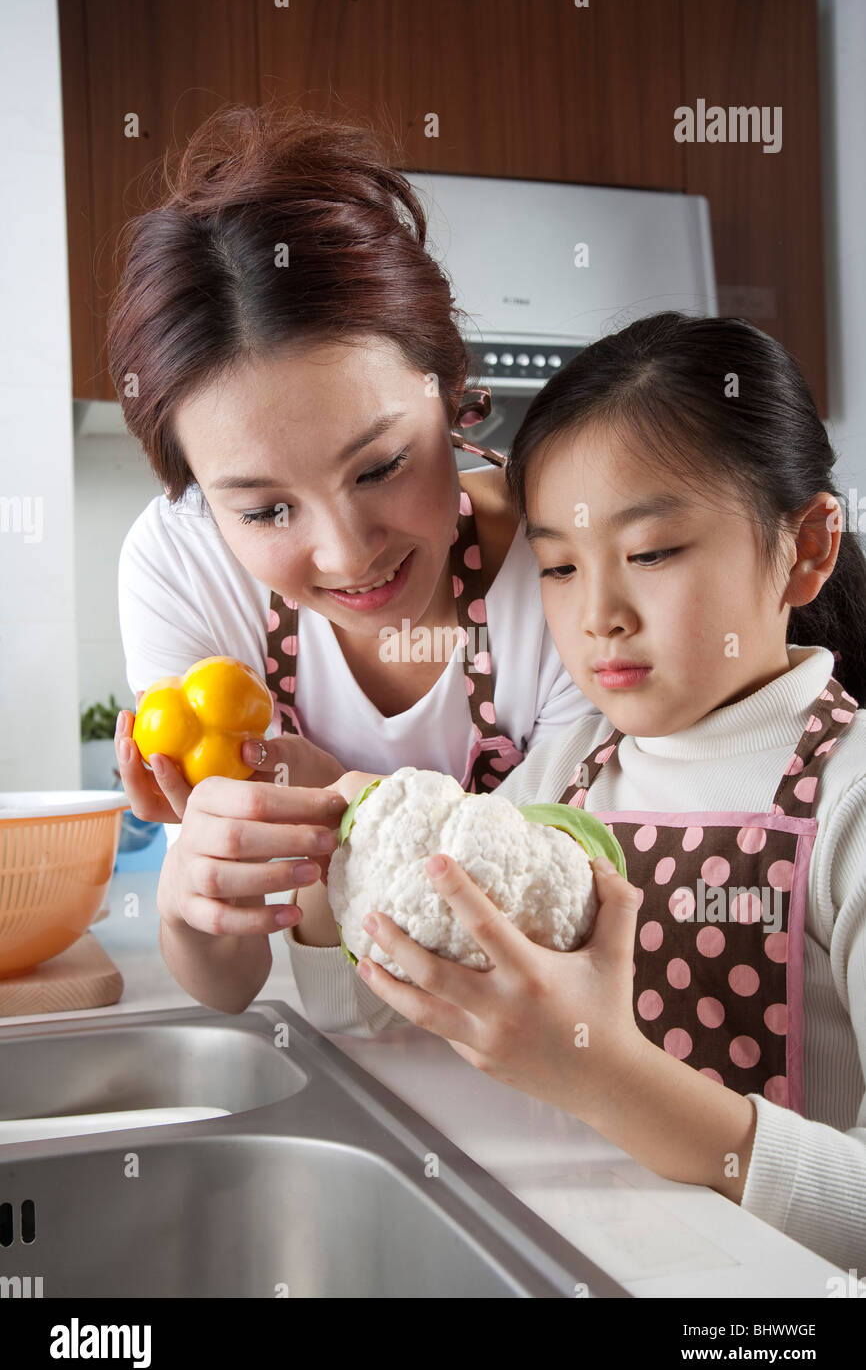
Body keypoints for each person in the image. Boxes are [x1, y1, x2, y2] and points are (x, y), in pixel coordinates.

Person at [334, 312, 866, 1271]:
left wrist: (606, 1076)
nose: (600, 616)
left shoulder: (848, 798)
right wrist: (318, 891)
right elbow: (413, 1008)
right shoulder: (570, 770)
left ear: (809, 546)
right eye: (561, 568)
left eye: (654, 553)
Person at [108, 103, 595, 1022]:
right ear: (200, 499)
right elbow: (229, 980)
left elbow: (568, 923)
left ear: (452, 393)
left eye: (381, 466)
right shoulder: (181, 564)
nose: (346, 551)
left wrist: (338, 794)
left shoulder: (569, 564)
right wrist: (194, 893)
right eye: (263, 509)